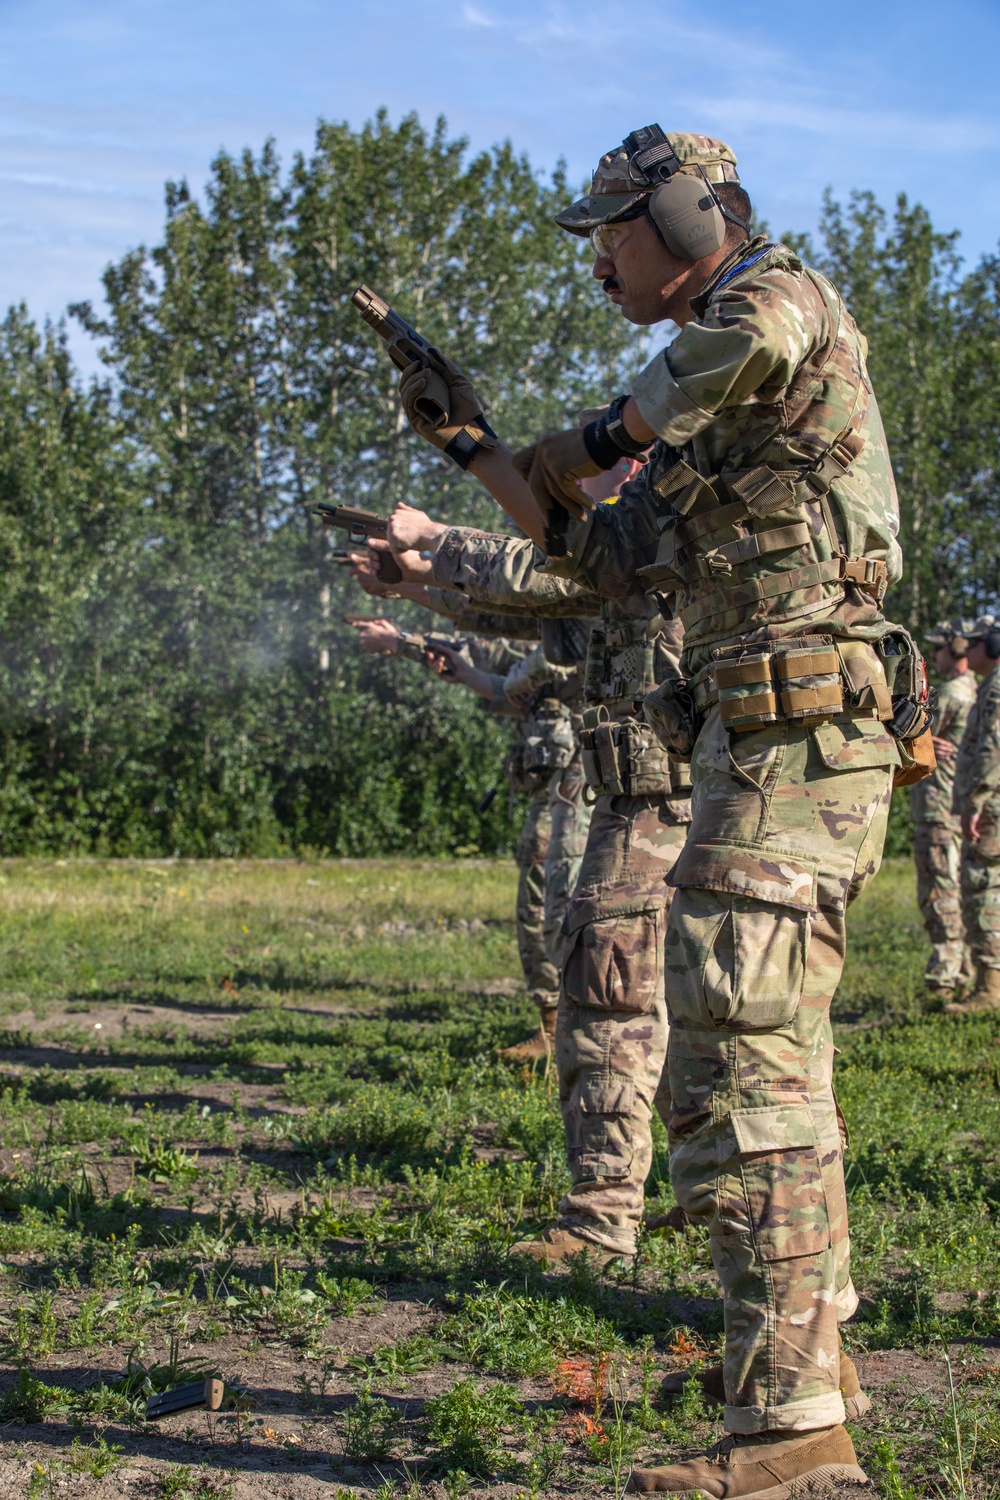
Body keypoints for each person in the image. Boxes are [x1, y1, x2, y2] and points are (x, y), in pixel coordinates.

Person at [390, 126, 908, 1492]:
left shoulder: (773, 303)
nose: (603, 260)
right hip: (751, 737)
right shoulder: (708, 426)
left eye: (616, 230)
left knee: (740, 1065)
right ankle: (814, 1364)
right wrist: (474, 461)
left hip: (799, 731)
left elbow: (728, 355)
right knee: (744, 1064)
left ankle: (793, 1438)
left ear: (688, 218)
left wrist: (594, 438)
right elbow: (592, 560)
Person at [386, 487, 694, 1267]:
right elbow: (529, 608)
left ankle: (604, 1220)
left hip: (660, 796)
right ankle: (715, 1194)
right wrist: (419, 578)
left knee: (611, 994)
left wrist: (431, 541)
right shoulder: (697, 511)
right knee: (705, 999)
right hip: (700, 787)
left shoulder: (657, 522)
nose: (593, 488)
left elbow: (540, 581)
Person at [347, 584, 593, 1058]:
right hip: (555, 777)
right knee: (539, 888)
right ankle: (554, 1024)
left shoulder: (575, 616)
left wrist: (405, 595)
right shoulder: (537, 627)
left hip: (584, 771)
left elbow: (513, 658)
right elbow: (483, 649)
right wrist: (407, 642)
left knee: (560, 896)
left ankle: (582, 1026)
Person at [910, 620, 978, 1000]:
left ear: (957, 651)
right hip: (952, 805)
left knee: (939, 888)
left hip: (939, 806)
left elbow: (908, 733)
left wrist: (915, 735)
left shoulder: (951, 695)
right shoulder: (969, 691)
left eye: (937, 649)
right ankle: (962, 965)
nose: (933, 656)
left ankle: (945, 971)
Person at [948, 615, 1000, 1015]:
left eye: (976, 643)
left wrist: (976, 800)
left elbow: (991, 749)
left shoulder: (996, 689)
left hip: (992, 809)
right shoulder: (989, 687)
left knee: (984, 889)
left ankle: (990, 987)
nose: (968, 650)